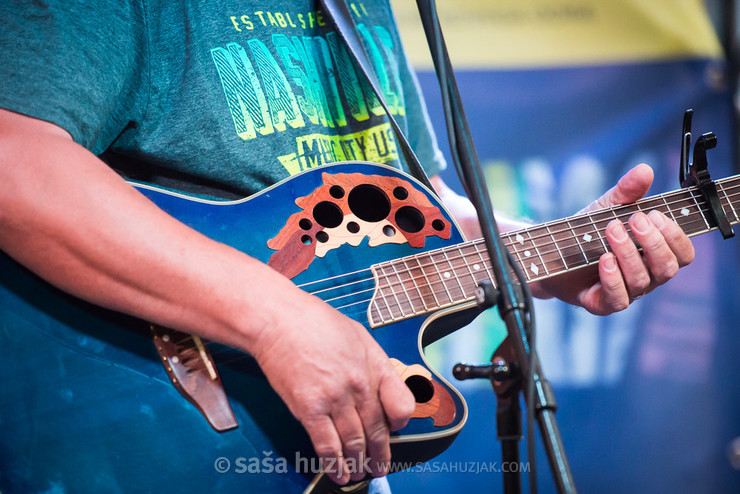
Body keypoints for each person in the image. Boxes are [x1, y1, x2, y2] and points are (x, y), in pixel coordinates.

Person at [0, 1, 694, 492]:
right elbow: (13, 159)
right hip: (124, 418)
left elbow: (412, 202)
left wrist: (545, 259)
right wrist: (274, 319)